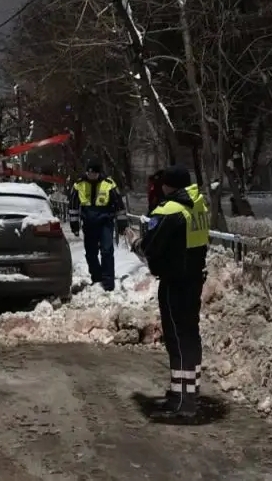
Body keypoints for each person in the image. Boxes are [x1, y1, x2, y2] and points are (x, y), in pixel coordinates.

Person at [140, 165, 210, 419]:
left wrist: (140, 243)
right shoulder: (198, 205)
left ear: (168, 186)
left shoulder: (170, 210)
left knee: (177, 338)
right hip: (193, 278)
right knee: (190, 334)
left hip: (174, 281)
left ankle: (182, 401)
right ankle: (190, 390)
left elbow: (151, 244)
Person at [67, 159, 128, 291]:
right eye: (89, 173)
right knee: (91, 253)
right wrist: (74, 224)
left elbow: (119, 205)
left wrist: (122, 223)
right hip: (88, 223)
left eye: (94, 173)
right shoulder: (79, 185)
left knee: (107, 251)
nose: (91, 176)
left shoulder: (109, 184)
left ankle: (108, 282)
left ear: (98, 173)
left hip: (105, 222)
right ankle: (97, 277)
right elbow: (73, 207)